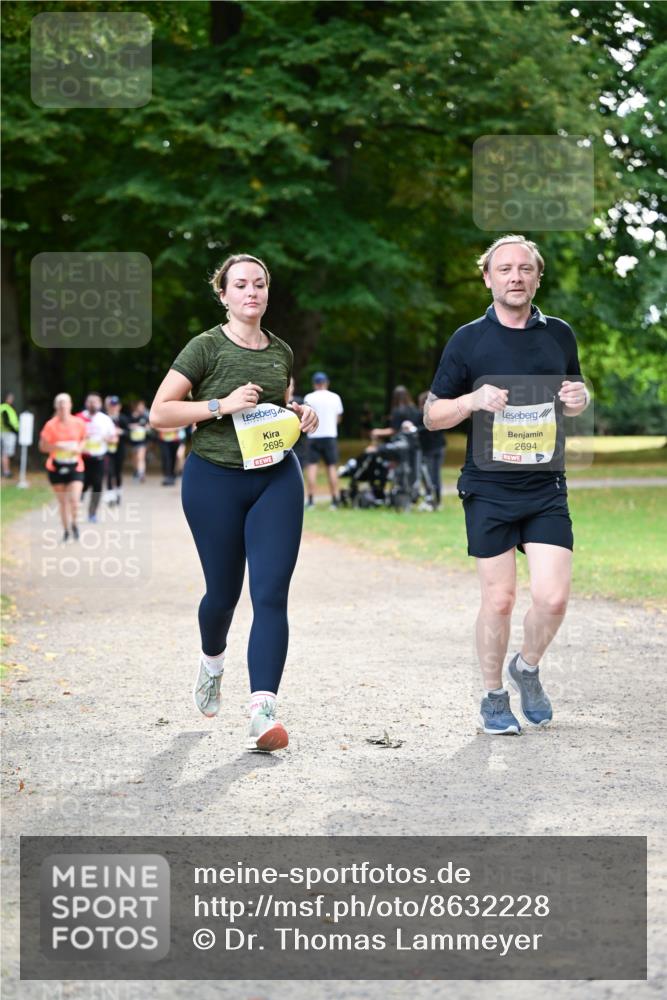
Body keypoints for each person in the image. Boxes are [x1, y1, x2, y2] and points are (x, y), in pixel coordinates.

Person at [149, 253, 318, 751]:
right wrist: (220, 405)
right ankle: (212, 660)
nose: (251, 292)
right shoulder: (205, 348)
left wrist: (299, 413)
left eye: (259, 284)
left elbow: (277, 407)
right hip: (213, 480)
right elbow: (161, 413)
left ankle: (263, 713)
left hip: (275, 478)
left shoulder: (280, 351)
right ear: (222, 294)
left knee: (270, 594)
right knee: (222, 595)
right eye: (240, 284)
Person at [423, 235, 590, 735]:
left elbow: (572, 396)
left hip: (544, 485)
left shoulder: (559, 334)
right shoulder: (468, 339)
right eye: (504, 269)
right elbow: (432, 415)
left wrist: (579, 398)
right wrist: (471, 401)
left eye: (524, 269)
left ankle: (528, 668)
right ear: (488, 277)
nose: (515, 277)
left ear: (537, 277)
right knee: (498, 600)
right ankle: (494, 695)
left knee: (553, 597)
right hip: (489, 487)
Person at [38, 393, 87, 542]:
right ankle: (66, 531)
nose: (63, 406)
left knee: (74, 500)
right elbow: (42, 447)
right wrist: (56, 446)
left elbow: (84, 439)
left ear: (70, 405)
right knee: (63, 502)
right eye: (59, 404)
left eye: (65, 403)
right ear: (56, 407)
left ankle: (75, 524)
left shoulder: (78, 423)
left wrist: (79, 448)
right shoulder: (50, 425)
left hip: (75, 466)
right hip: (56, 467)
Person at [304, 372, 343, 509]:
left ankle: (310, 500)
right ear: (326, 383)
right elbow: (338, 418)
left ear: (314, 384)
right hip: (330, 435)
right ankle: (334, 500)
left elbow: (306, 416)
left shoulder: (309, 397)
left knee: (312, 467)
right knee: (331, 467)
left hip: (313, 436)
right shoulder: (335, 397)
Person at [76, 393, 117, 522]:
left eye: (95, 402)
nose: (92, 404)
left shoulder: (105, 419)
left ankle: (92, 514)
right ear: (86, 403)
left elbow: (114, 438)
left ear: (100, 404)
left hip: (99, 459)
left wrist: (108, 439)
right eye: (90, 401)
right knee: (80, 486)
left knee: (97, 487)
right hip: (82, 458)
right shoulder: (79, 418)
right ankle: (75, 510)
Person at [417, 390, 446, 509]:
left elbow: (424, 430)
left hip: (431, 449)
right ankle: (436, 500)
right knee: (435, 475)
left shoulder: (425, 415)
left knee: (430, 475)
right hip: (439, 447)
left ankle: (432, 499)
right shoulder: (439, 413)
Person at [104, 395, 130, 504]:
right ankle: (110, 495)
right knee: (109, 472)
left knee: (118, 472)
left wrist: (121, 432)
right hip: (107, 449)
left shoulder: (123, 418)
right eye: (111, 405)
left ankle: (118, 493)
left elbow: (129, 434)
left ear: (119, 406)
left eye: (115, 405)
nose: (113, 407)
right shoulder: (104, 418)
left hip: (119, 449)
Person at [128, 399, 150, 482]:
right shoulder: (131, 416)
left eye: (143, 406)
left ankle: (141, 473)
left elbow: (149, 426)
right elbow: (126, 425)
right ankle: (136, 471)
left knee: (141, 457)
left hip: (142, 441)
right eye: (140, 406)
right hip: (133, 441)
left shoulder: (145, 416)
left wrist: (146, 428)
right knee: (134, 458)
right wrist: (134, 426)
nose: (142, 408)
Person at [1, 391, 19, 479]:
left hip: (4, 433)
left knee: (4, 453)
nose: (12, 400)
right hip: (7, 433)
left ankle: (5, 471)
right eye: (10, 398)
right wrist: (14, 430)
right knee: (5, 454)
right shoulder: (5, 408)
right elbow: (6, 422)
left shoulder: (3, 407)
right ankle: (6, 471)